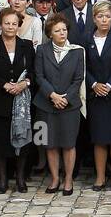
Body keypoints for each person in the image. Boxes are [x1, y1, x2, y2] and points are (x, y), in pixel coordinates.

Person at [0, 6, 34, 194]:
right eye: (6, 23)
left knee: (22, 140)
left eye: (14, 23)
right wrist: (3, 85)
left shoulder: (27, 45)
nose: (10, 27)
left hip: (22, 101)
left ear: (19, 25)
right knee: (0, 141)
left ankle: (20, 177)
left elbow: (35, 72)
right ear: (0, 25)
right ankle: (2, 178)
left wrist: (24, 83)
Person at [34, 12, 84, 194]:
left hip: (70, 105)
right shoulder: (42, 50)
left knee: (69, 143)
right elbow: (39, 76)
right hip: (46, 104)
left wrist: (65, 97)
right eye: (57, 30)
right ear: (50, 34)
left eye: (64, 30)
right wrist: (52, 95)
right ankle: (54, 178)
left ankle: (68, 179)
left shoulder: (77, 51)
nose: (62, 33)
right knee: (49, 143)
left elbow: (78, 78)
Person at [86, 0, 111, 190]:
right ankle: (100, 177)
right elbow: (81, 66)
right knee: (99, 138)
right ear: (94, 18)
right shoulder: (86, 39)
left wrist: (110, 84)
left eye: (107, 16)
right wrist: (93, 83)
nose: (104, 20)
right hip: (95, 96)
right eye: (100, 16)